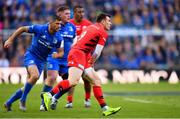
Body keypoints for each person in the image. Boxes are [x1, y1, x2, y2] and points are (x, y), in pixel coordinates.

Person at [41, 13, 121, 116]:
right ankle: (49, 94)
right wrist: (92, 61)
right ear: (103, 21)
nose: (110, 23)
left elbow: (80, 41)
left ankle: (105, 108)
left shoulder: (90, 26)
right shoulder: (102, 32)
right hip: (79, 54)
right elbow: (97, 52)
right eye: (109, 21)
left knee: (96, 80)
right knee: (73, 81)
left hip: (81, 54)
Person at [4, 16, 64, 111]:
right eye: (57, 23)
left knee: (28, 85)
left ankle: (8, 103)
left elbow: (61, 52)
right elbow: (22, 29)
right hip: (31, 56)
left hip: (41, 62)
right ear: (50, 23)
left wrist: (57, 55)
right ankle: (23, 100)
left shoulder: (59, 38)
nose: (59, 26)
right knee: (35, 76)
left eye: (60, 24)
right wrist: (10, 39)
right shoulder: (40, 28)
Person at [54, 5, 93, 109]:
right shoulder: (68, 23)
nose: (82, 14)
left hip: (85, 56)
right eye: (79, 12)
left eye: (83, 12)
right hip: (72, 55)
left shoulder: (88, 24)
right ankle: (69, 101)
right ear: (74, 13)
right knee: (72, 79)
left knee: (87, 79)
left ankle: (87, 99)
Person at [40, 5, 76, 111]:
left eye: (69, 14)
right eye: (66, 13)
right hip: (54, 57)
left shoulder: (72, 27)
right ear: (59, 14)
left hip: (67, 60)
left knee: (70, 82)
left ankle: (55, 97)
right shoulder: (52, 25)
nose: (69, 16)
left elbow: (73, 42)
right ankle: (43, 103)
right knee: (52, 78)